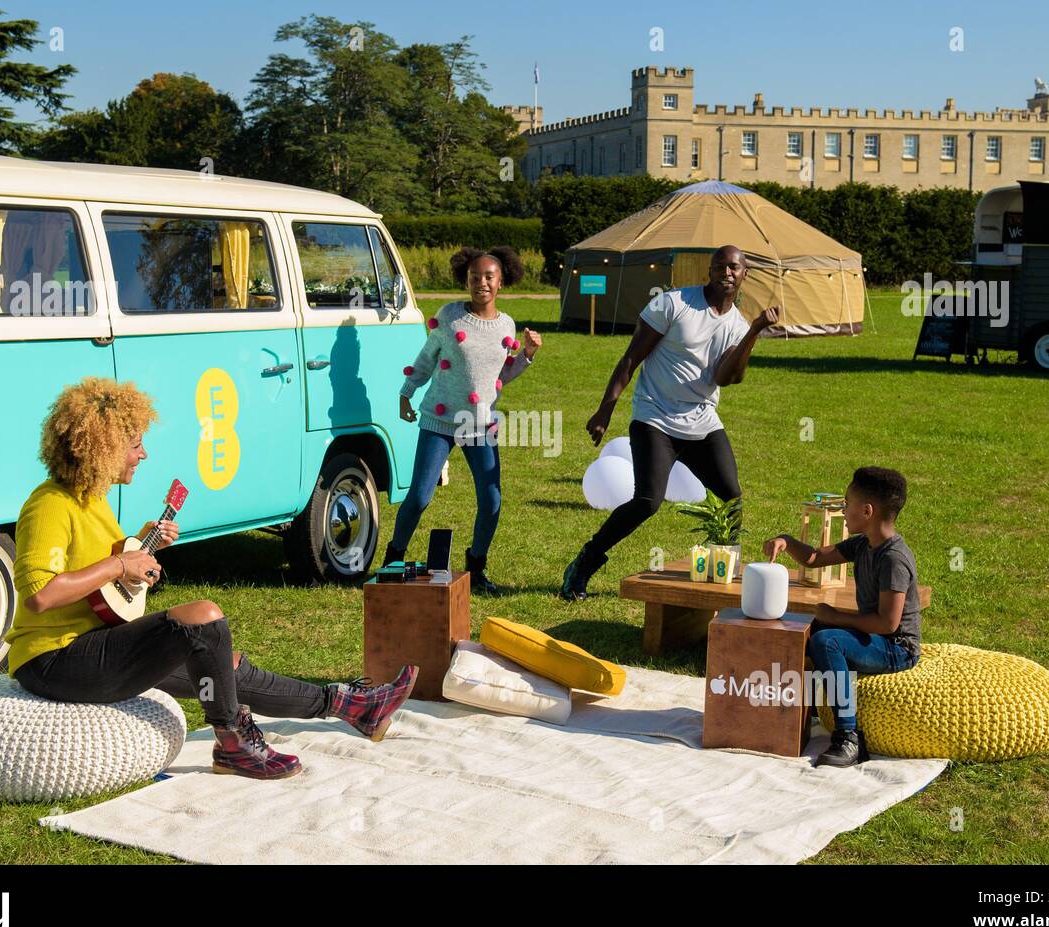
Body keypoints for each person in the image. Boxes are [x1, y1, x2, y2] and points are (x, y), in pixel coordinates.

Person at [6, 377, 418, 782]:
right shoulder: (50, 505)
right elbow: (40, 596)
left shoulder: (92, 500)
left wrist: (140, 552)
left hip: (95, 643)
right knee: (204, 617)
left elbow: (101, 583)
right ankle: (233, 743)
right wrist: (120, 566)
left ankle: (352, 707)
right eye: (135, 445)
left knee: (225, 666)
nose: (143, 454)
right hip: (54, 659)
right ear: (103, 447)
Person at [560, 244, 777, 600]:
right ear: (709, 270)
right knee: (647, 501)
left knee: (730, 497)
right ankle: (584, 562)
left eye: (735, 268)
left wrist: (753, 331)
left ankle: (717, 573)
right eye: (720, 266)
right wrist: (605, 409)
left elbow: (727, 377)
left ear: (745, 275)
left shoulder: (738, 325)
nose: (727, 273)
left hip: (701, 420)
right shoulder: (673, 304)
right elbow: (632, 358)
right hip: (654, 417)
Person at [384, 245, 542, 595]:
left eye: (489, 277)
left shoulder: (507, 325)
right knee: (420, 496)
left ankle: (476, 567)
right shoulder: (450, 315)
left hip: (479, 425)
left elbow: (502, 375)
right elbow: (426, 357)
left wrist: (527, 355)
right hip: (438, 420)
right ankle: (393, 560)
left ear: (502, 282)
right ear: (465, 279)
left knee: (492, 500)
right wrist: (406, 392)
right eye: (475, 276)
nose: (481, 282)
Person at [763, 467, 923, 768]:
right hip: (876, 637)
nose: (842, 509)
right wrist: (785, 541)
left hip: (898, 647)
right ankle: (792, 712)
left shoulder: (893, 559)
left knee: (827, 641)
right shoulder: (864, 544)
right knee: (807, 628)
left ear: (867, 511)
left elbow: (889, 624)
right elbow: (815, 558)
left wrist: (837, 616)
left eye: (847, 503)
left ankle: (848, 737)